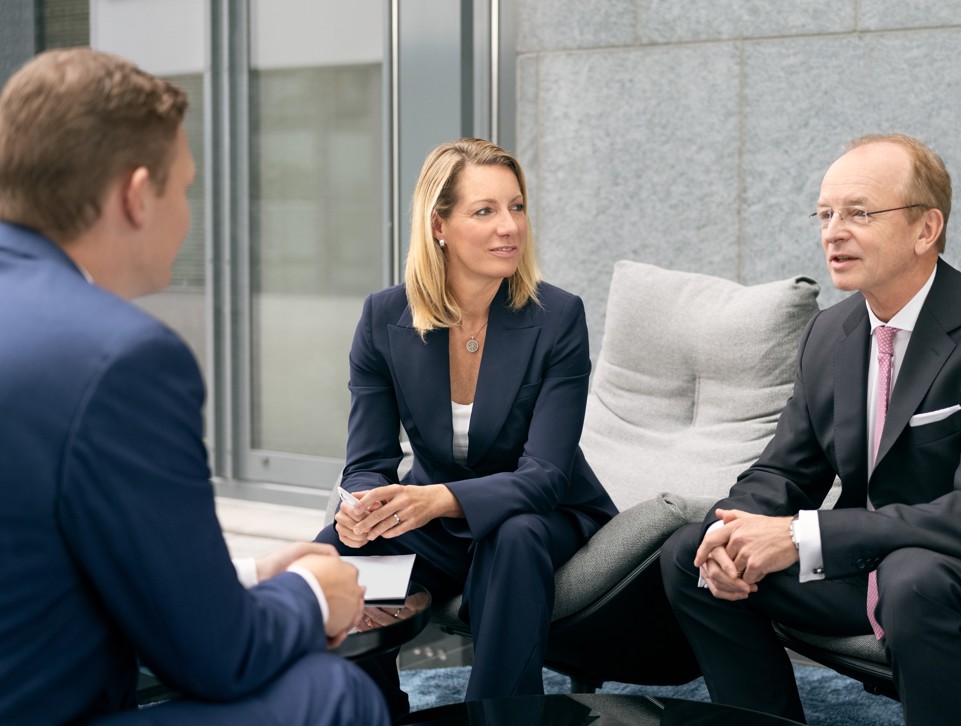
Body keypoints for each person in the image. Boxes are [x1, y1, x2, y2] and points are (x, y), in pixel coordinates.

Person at [0, 48, 387, 725]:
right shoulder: (119, 358)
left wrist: (245, 578)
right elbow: (218, 657)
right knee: (334, 694)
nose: (188, 214)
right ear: (135, 195)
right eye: (185, 188)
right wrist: (308, 592)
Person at [660, 134, 961, 725]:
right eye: (825, 214)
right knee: (690, 553)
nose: (833, 232)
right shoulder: (827, 334)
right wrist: (728, 531)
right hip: (867, 563)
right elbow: (785, 471)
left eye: (859, 213)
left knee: (911, 577)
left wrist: (802, 536)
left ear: (925, 229)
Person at [314, 137, 618, 715]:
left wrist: (437, 500)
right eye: (485, 211)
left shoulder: (558, 317)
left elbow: (545, 475)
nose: (510, 226)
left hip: (545, 515)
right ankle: (375, 711)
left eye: (517, 206)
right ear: (439, 226)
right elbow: (367, 462)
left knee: (514, 535)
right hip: (436, 521)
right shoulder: (383, 318)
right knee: (333, 554)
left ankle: (500, 715)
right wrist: (360, 505)